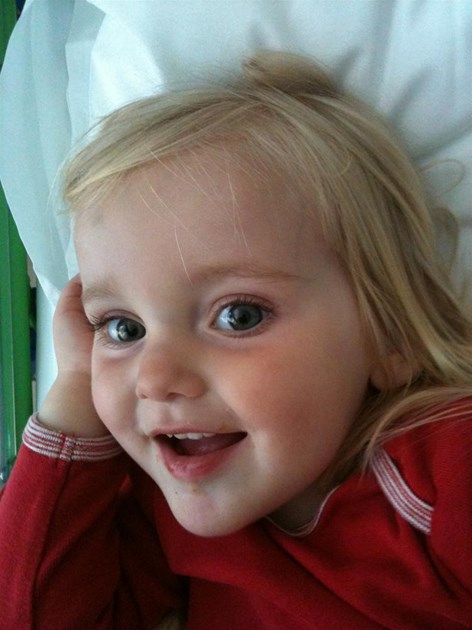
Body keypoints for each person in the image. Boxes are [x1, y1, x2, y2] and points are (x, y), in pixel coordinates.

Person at [1, 51, 471, 629]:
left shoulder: (446, 467)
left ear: (390, 332)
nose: (155, 379)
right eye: (123, 328)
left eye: (239, 316)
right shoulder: (162, 501)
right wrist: (76, 393)